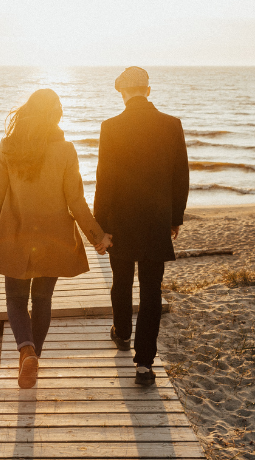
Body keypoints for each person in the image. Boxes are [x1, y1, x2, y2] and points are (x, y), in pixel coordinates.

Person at [0, 88, 112, 389]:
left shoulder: (8, 147)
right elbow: (76, 202)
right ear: (56, 116)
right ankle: (33, 356)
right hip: (54, 237)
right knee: (42, 299)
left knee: (14, 298)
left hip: (15, 234)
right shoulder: (66, 151)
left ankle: (26, 351)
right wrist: (97, 237)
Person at [94, 67, 189, 386]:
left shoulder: (110, 127)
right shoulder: (171, 125)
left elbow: (103, 181)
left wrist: (101, 227)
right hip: (155, 221)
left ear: (123, 93)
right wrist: (175, 218)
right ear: (148, 91)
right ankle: (144, 364)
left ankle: (121, 333)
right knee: (151, 291)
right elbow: (181, 177)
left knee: (121, 282)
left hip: (120, 222)